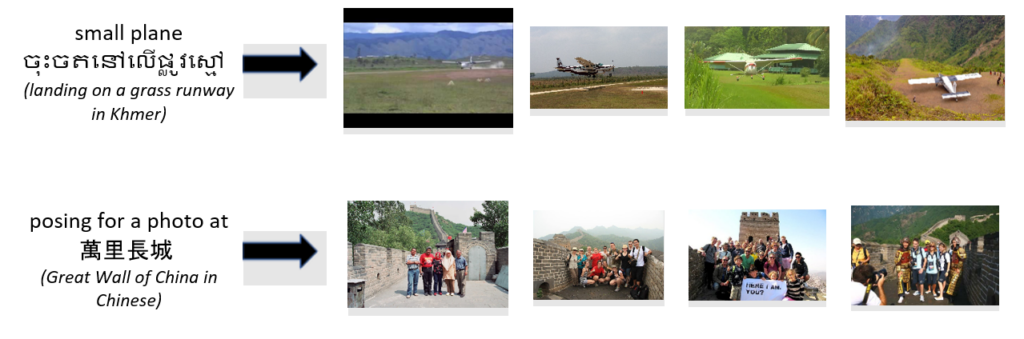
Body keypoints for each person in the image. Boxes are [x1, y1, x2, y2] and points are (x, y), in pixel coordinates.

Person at [894, 238, 913, 303]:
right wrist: (899, 271)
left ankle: (906, 290)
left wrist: (911, 261)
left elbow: (910, 258)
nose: (905, 244)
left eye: (907, 243)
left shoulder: (909, 251)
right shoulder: (899, 251)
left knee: (907, 280)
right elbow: (897, 261)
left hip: (907, 269)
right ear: (902, 243)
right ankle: (901, 295)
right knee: (900, 281)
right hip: (901, 269)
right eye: (904, 242)